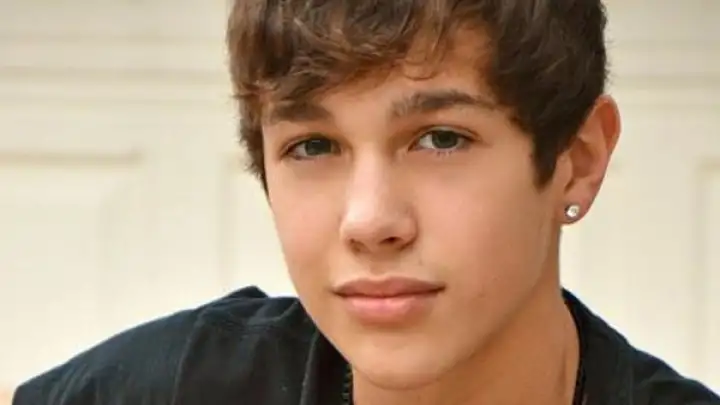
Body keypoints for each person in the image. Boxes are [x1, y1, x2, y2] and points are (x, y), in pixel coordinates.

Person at [12, 0, 720, 404]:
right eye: (313, 146)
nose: (370, 220)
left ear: (578, 158)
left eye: (441, 138)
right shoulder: (177, 386)